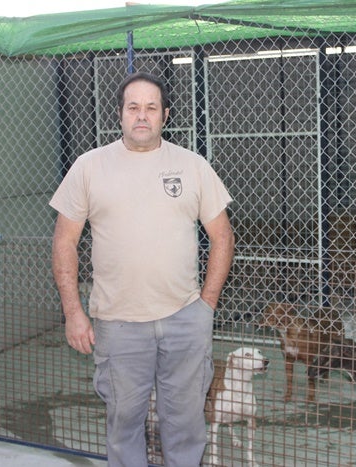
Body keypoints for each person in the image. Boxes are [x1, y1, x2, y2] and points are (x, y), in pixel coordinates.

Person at [50, 71, 235, 467]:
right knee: (124, 425)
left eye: (151, 108)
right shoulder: (88, 167)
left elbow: (222, 236)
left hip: (185, 318)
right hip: (118, 323)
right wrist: (73, 312)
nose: (141, 115)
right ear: (119, 113)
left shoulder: (192, 166)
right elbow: (64, 242)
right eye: (133, 107)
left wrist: (206, 305)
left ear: (165, 115)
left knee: (185, 425)